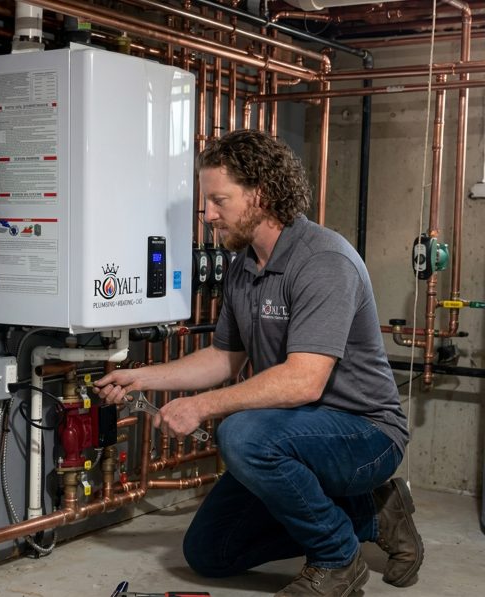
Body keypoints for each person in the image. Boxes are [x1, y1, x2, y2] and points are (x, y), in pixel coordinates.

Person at [94, 130, 423, 596]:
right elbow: (224, 357)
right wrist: (140, 377)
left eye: (218, 200)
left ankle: (337, 559)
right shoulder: (243, 266)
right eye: (205, 202)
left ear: (261, 194)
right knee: (210, 551)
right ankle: (371, 513)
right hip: (295, 431)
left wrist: (201, 407)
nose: (207, 215)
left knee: (242, 434)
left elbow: (305, 380)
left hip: (364, 432)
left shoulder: (323, 261)